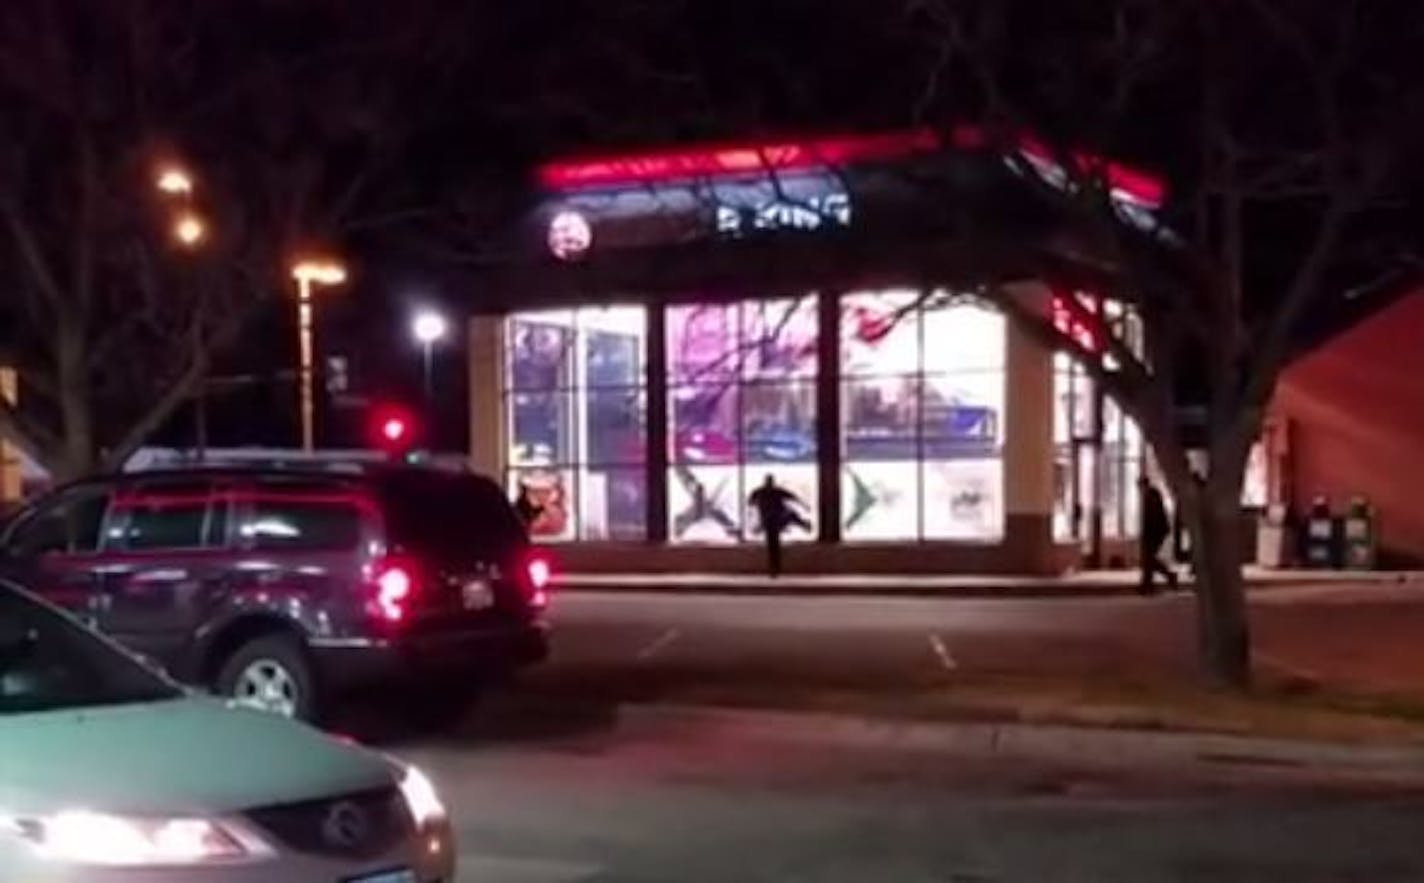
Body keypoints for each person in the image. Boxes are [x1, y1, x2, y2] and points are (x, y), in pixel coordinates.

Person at [748, 474, 811, 578]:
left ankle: (774, 568)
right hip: (773, 520)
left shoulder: (765, 492)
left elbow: (793, 497)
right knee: (773, 544)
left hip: (774, 520)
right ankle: (774, 568)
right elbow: (751, 503)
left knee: (774, 543)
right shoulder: (765, 492)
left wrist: (804, 505)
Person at [1138, 476, 1177, 594]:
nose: (1140, 490)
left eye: (1140, 487)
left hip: (1153, 533)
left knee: (1148, 559)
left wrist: (1147, 534)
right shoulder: (1152, 495)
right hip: (1156, 533)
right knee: (1149, 560)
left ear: (1143, 485)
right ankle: (1148, 585)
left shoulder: (1150, 497)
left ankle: (1148, 585)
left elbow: (1151, 519)